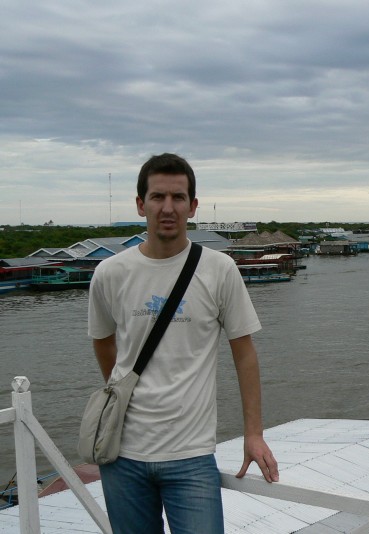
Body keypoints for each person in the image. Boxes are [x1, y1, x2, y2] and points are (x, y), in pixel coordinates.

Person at [88, 153, 279, 534]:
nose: (167, 207)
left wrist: (253, 434)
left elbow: (245, 355)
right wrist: (123, 391)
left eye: (178, 198)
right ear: (141, 204)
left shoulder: (219, 270)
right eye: (157, 197)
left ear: (193, 207)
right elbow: (103, 344)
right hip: (121, 456)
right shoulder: (110, 273)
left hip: (191, 457)